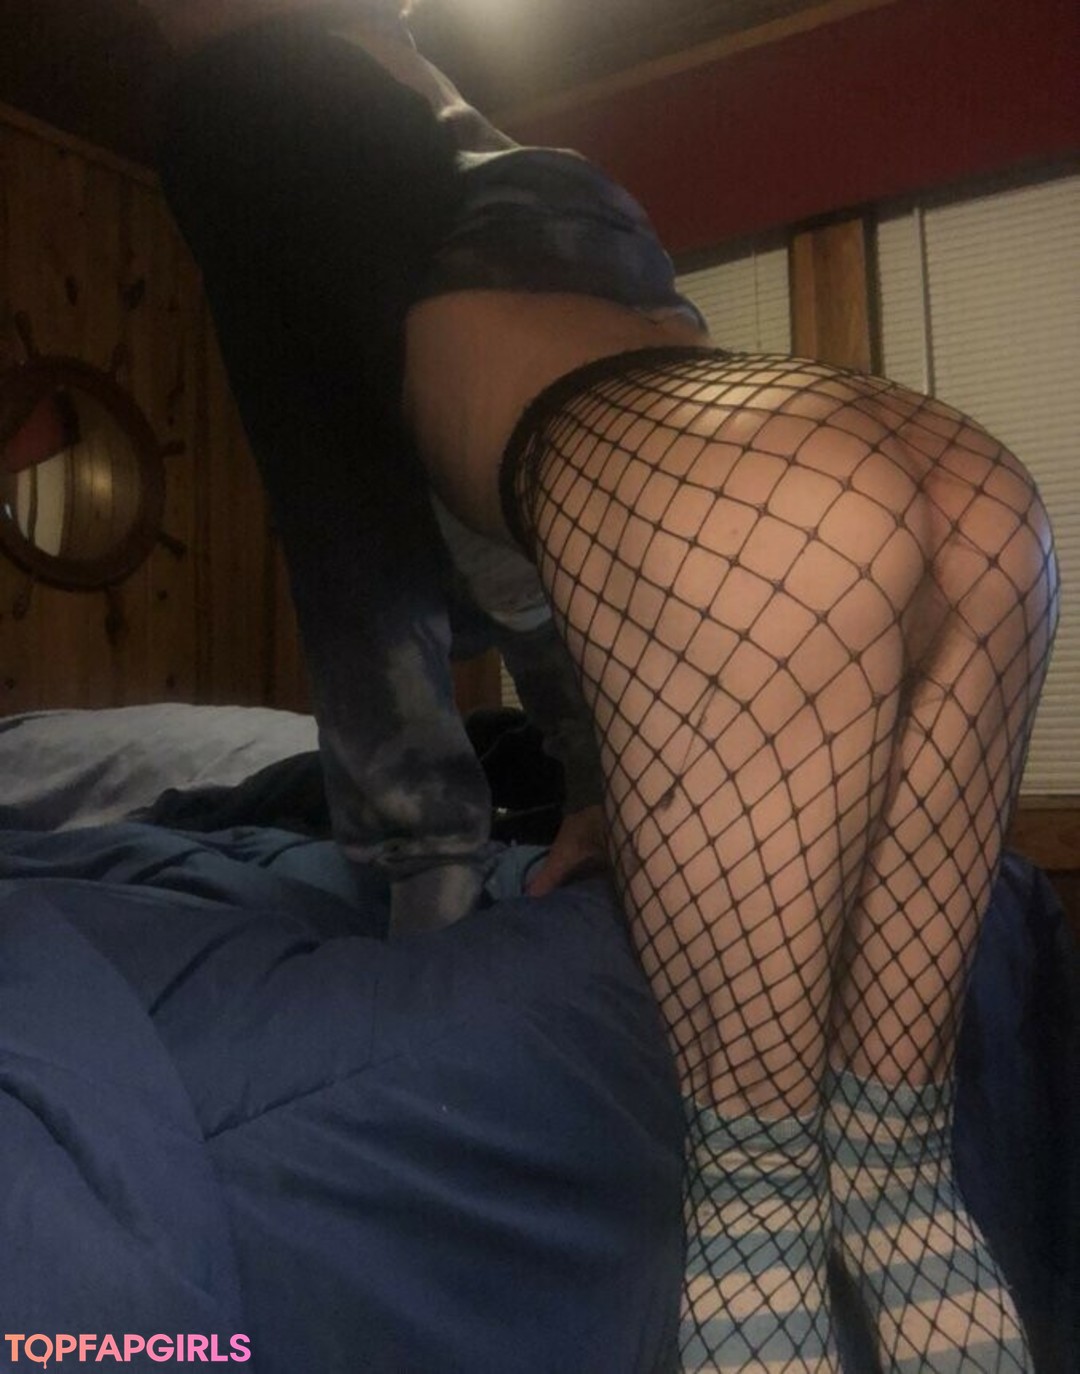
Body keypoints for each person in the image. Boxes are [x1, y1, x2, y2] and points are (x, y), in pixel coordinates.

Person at [140, 2, 1059, 1369]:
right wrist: (594, 780)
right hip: (869, 426)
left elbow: (345, 544)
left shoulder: (238, 91)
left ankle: (763, 1191)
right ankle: (891, 1173)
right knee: (897, 1160)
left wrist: (425, 863)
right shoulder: (433, 86)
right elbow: (572, 600)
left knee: (759, 1187)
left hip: (606, 395)